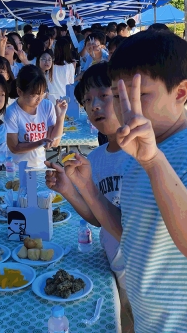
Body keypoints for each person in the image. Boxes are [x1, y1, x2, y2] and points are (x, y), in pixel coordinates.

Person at [64, 29, 187, 332]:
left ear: (180, 92)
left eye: (140, 95)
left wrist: (153, 162)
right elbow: (131, 233)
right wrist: (87, 188)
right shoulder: (147, 147)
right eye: (119, 95)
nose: (126, 108)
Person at [45, 62, 134, 332]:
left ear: (123, 95)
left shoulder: (141, 156)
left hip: (144, 271)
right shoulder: (95, 158)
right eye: (87, 100)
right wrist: (69, 190)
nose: (93, 105)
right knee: (126, 321)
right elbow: (99, 218)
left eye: (103, 96)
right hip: (115, 263)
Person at [5, 65, 67, 168]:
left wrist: (60, 117)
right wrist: (39, 143)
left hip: (40, 166)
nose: (39, 99)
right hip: (19, 168)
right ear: (20, 92)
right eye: (34, 95)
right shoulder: (12, 112)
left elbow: (55, 142)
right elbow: (14, 147)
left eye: (42, 94)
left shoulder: (47, 105)